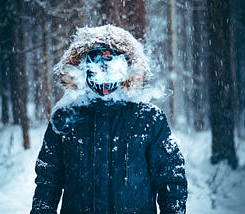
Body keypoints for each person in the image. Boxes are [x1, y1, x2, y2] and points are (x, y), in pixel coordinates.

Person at [30, 25, 188, 214]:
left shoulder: (149, 118)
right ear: (82, 66)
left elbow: (172, 181)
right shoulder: (65, 119)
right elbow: (48, 183)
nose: (104, 73)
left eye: (111, 65)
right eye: (96, 64)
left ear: (127, 68)